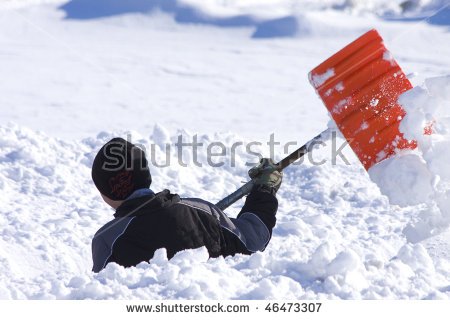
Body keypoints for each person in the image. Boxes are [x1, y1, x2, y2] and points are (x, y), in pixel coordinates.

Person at [90, 137, 282, 273]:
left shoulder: (106, 240)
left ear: (106, 192)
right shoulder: (202, 212)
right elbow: (253, 240)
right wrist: (265, 189)